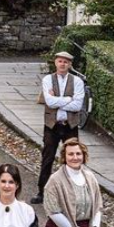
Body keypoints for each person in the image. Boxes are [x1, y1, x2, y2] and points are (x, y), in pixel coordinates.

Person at [34, 51, 84, 203]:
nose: (63, 64)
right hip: (51, 125)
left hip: (70, 126)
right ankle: (42, 192)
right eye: (60, 61)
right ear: (55, 63)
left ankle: (73, 192)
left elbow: (78, 105)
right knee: (47, 158)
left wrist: (59, 100)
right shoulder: (48, 79)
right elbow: (49, 102)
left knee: (73, 158)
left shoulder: (77, 82)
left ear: (70, 65)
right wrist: (69, 99)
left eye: (66, 62)